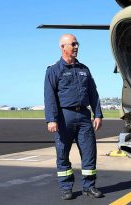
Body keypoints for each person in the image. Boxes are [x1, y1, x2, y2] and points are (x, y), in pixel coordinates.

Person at [44, 34, 104, 200]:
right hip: (64, 117)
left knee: (89, 152)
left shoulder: (84, 69)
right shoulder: (53, 70)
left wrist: (97, 114)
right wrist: (51, 119)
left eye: (77, 44)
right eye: (73, 44)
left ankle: (89, 186)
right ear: (63, 47)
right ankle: (66, 188)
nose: (76, 46)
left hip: (84, 117)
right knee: (63, 153)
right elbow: (49, 96)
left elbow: (93, 93)